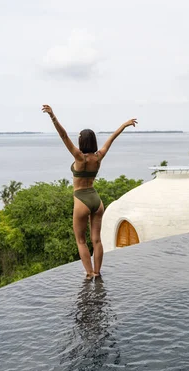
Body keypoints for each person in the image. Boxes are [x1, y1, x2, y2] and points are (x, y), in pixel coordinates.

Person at [42, 104, 137, 279]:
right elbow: (112, 138)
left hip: (81, 200)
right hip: (96, 200)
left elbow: (63, 136)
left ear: (81, 141)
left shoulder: (79, 157)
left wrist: (53, 116)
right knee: (97, 240)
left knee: (81, 240)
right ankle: (98, 272)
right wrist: (124, 125)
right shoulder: (98, 156)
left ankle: (89, 273)